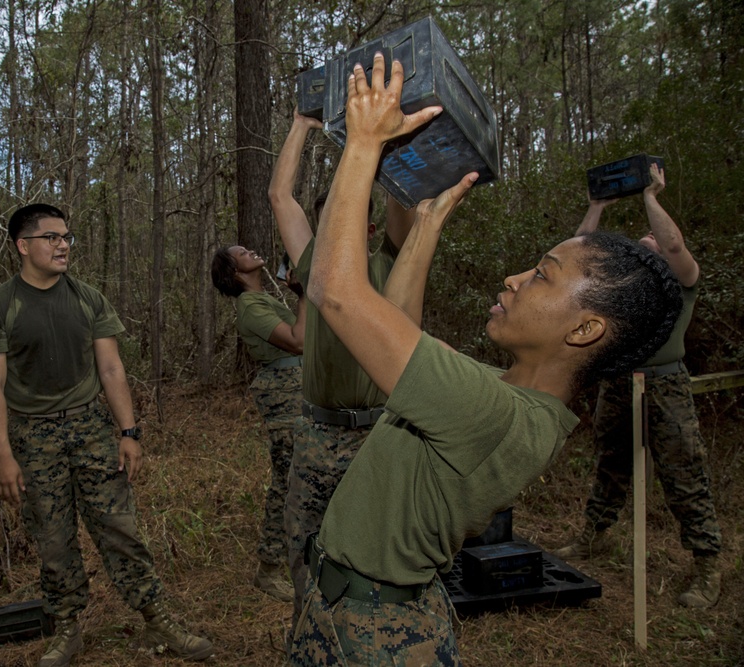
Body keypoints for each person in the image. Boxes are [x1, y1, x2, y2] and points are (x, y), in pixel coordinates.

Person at [287, 54, 683, 665]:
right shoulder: (522, 403)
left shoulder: (491, 412)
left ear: (585, 328)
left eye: (543, 276)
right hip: (370, 608)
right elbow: (399, 329)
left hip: (372, 637)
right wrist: (425, 227)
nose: (515, 278)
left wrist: (361, 145)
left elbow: (336, 291)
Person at [0, 204, 214, 666]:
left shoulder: (87, 298)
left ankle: (156, 616)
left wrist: (128, 431)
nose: (63, 245)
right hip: (32, 437)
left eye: (67, 237)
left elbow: (111, 367)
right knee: (53, 537)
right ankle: (67, 628)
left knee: (119, 527)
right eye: (52, 237)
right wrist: (2, 455)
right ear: (24, 245)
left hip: (91, 429)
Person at [269, 107, 418, 627]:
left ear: (368, 223)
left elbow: (406, 204)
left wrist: (381, 146)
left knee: (377, 557)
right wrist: (301, 125)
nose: (337, 225)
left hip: (377, 438)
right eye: (330, 218)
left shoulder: (388, 264)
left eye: (347, 215)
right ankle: (311, 640)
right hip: (316, 434)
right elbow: (280, 198)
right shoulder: (315, 269)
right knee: (303, 553)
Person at [554, 164, 722, 608]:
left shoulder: (681, 281)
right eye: (642, 239)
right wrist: (596, 207)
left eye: (650, 238)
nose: (646, 239)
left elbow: (671, 243)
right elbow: (574, 257)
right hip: (617, 383)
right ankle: (595, 535)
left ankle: (708, 564)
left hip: (666, 388)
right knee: (610, 466)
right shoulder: (625, 286)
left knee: (684, 477)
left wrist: (651, 196)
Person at [211, 245, 306, 603]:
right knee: (288, 482)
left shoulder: (263, 299)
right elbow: (298, 341)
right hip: (284, 397)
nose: (250, 251)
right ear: (235, 272)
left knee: (301, 478)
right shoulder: (250, 308)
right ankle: (268, 569)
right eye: (241, 253)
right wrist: (305, 296)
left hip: (298, 391)